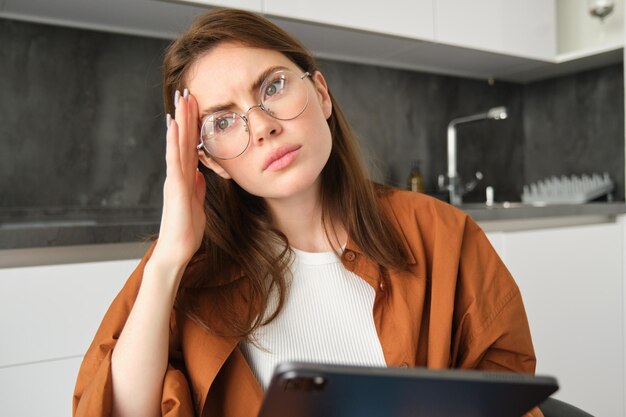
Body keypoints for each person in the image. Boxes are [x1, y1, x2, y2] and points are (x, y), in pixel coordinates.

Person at [73, 8, 542, 417]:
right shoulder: (181, 268)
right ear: (210, 161)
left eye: (272, 87)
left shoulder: (443, 233)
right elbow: (119, 411)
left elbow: (506, 393)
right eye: (222, 120)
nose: (261, 127)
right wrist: (170, 257)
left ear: (320, 93)